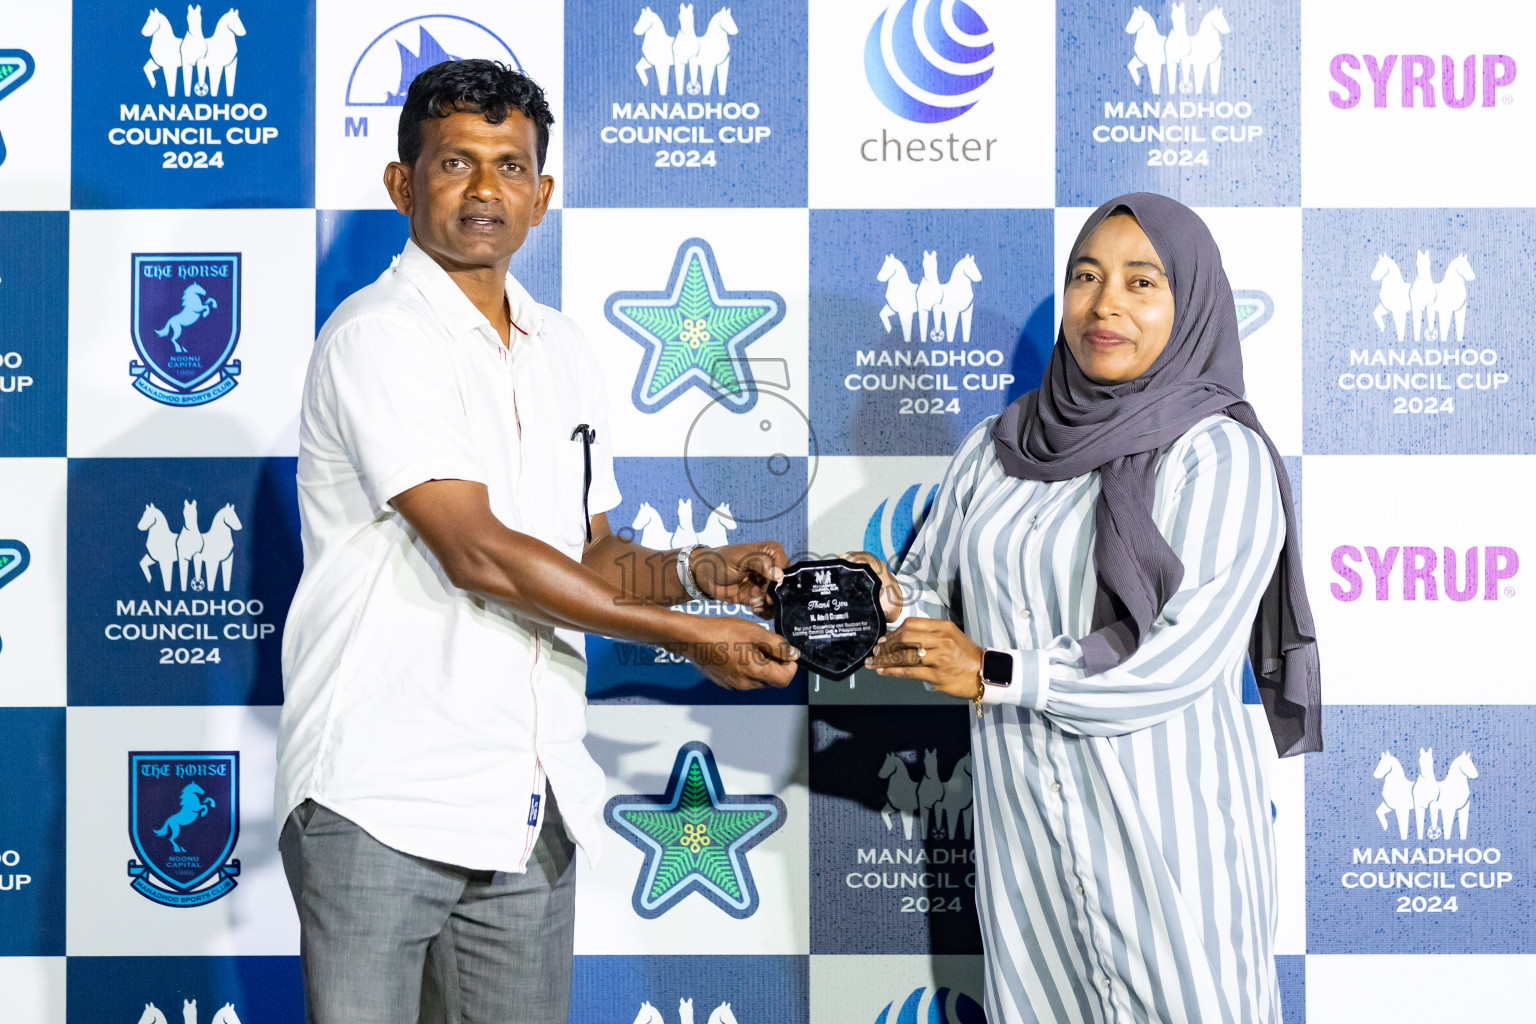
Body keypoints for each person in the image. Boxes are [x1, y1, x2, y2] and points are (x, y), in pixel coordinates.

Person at [274, 60, 799, 1024]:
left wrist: (697, 573)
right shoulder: (379, 335)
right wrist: (689, 638)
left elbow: (590, 555)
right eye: (455, 164)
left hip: (528, 803)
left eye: (510, 167)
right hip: (382, 798)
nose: (485, 191)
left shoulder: (563, 348)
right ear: (402, 184)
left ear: (543, 195)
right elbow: (474, 552)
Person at [860, 193, 1321, 1024]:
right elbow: (928, 593)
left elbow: (1176, 661)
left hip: (1167, 846)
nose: (1105, 304)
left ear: (1191, 305)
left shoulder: (1220, 457)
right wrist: (876, 598)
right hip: (1025, 841)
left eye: (1142, 282)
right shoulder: (999, 449)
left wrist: (994, 671)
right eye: (1086, 276)